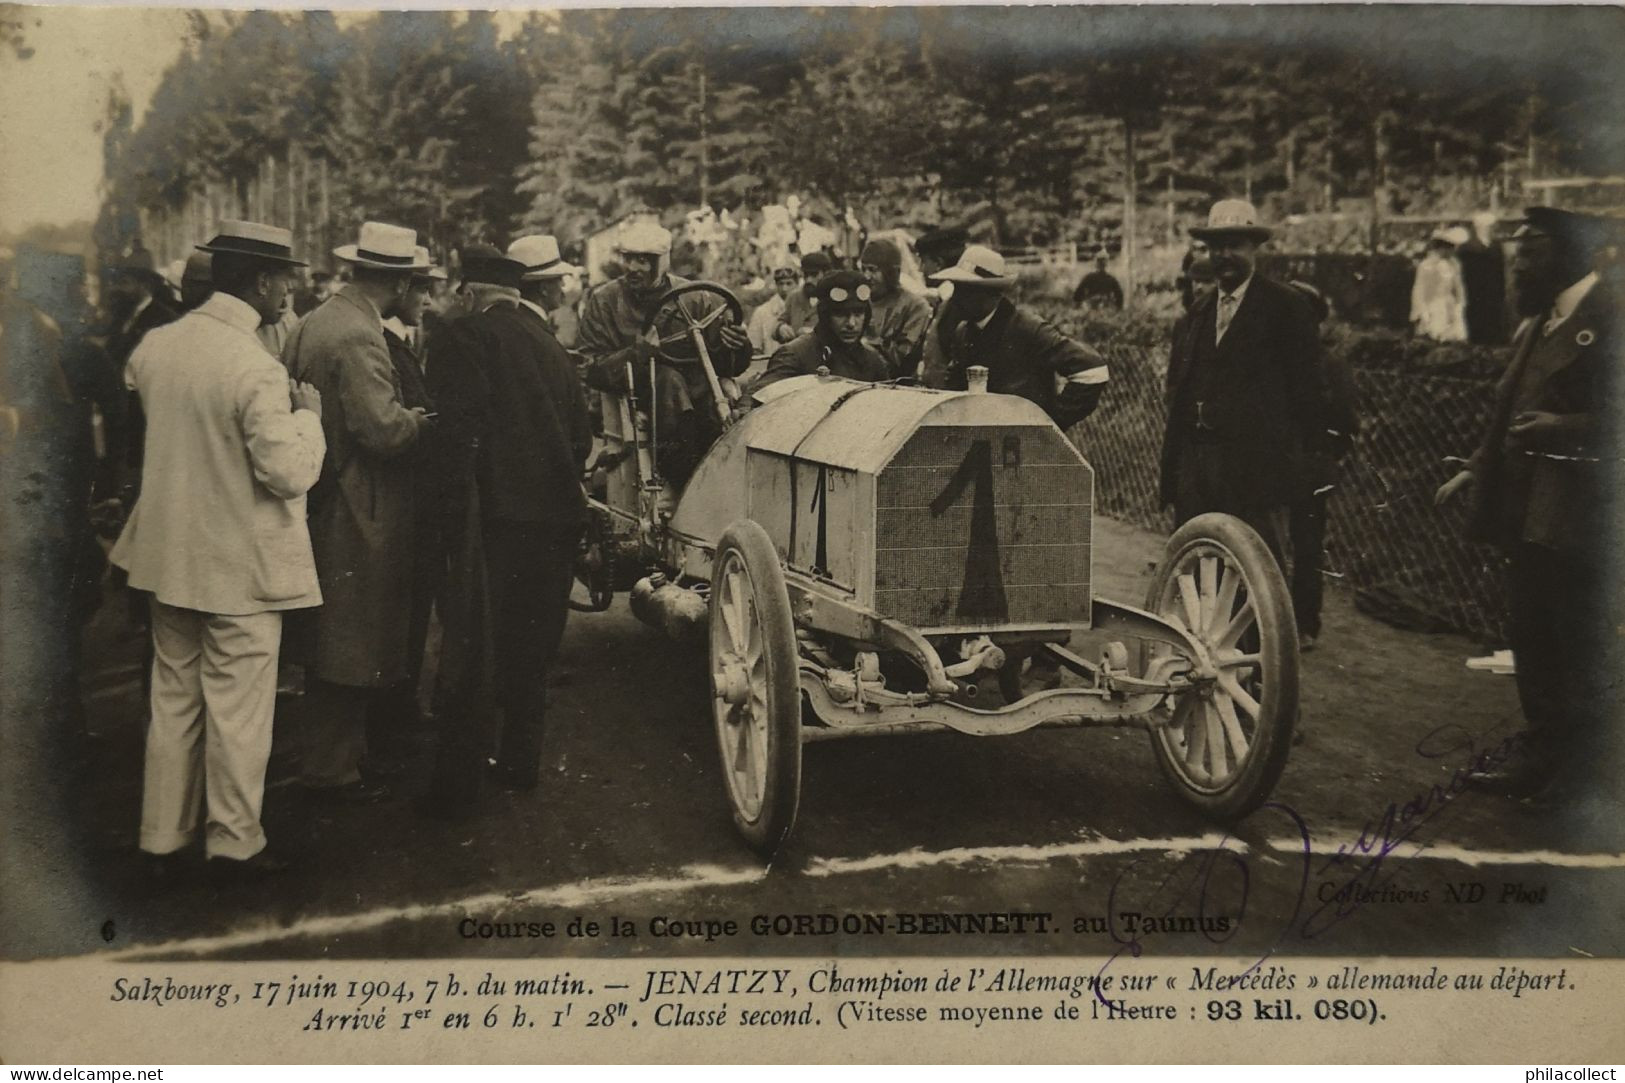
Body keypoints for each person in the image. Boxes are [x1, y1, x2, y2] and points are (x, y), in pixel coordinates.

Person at [108, 220, 324, 877]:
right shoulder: (254, 367)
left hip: (168, 556)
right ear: (260, 281)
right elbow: (286, 473)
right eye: (285, 276)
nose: (291, 287)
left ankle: (162, 838)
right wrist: (308, 417)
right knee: (237, 711)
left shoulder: (157, 347)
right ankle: (233, 843)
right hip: (240, 566)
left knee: (174, 700)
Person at [1436, 207, 1623, 806]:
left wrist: (1563, 428)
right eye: (1517, 252)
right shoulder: (1541, 320)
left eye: (1531, 253)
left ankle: (1582, 774)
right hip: (1530, 508)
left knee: (1578, 640)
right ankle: (1543, 755)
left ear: (1569, 254)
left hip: (1585, 511)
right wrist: (1474, 468)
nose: (1517, 264)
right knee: (1532, 634)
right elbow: (1507, 407)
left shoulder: (1612, 315)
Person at [424, 243, 592, 804]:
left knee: (474, 650)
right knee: (531, 650)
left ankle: (456, 787)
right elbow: (582, 439)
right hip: (554, 521)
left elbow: (455, 435)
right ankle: (520, 761)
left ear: (471, 292)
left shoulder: (466, 336)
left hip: (492, 520)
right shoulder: (552, 346)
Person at [281, 221, 433, 802]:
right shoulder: (360, 335)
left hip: (320, 496)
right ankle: (332, 766)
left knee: (331, 638)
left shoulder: (314, 321)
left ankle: (341, 756)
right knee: (350, 639)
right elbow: (382, 430)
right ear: (395, 281)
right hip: (358, 503)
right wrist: (420, 421)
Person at [1158, 199, 1328, 567]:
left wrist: (1300, 463)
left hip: (1255, 466)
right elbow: (1177, 390)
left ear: (1254, 247)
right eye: (1216, 247)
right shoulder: (1195, 315)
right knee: (1195, 561)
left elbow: (1308, 393)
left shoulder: (1286, 308)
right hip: (1198, 464)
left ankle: (1260, 626)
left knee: (1257, 567)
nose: (1225, 255)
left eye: (1235, 245)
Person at [579, 220, 751, 488]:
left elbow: (727, 365)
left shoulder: (696, 297)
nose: (634, 268)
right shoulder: (605, 301)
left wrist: (737, 345)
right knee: (669, 381)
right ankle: (684, 480)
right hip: (639, 394)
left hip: (697, 393)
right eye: (629, 259)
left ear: (663, 261)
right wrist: (637, 353)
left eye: (645, 261)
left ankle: (724, 478)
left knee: (726, 402)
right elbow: (590, 368)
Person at [922, 245, 1109, 430]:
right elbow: (954, 388)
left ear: (990, 294)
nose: (955, 299)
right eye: (956, 289)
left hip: (1027, 450)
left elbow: (1093, 370)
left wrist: (1049, 424)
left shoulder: (1027, 328)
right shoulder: (963, 332)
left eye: (965, 291)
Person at [1285, 280, 1359, 652]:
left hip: (1309, 468)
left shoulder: (1330, 364)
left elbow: (1346, 421)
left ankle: (1304, 625)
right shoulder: (1269, 360)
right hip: (1269, 465)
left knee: (1307, 548)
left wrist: (1324, 453)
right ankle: (1274, 622)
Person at [751, 270, 891, 393]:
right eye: (840, 314)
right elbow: (757, 397)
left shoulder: (873, 361)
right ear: (825, 316)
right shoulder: (795, 355)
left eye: (859, 313)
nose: (851, 324)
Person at [858, 238, 932, 377]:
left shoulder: (915, 306)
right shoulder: (858, 300)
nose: (866, 276)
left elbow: (902, 358)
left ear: (891, 273)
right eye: (863, 269)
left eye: (873, 270)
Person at [1457, 212, 1508, 345]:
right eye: (1490, 227)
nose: (1492, 230)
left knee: (1493, 328)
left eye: (1493, 227)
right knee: (1476, 328)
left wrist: (1501, 293)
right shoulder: (1466, 249)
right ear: (1480, 228)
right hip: (1474, 295)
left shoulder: (1496, 247)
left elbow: (1500, 272)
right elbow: (1462, 276)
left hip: (1493, 295)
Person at [1410, 229, 1468, 341]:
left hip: (1449, 304)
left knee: (1454, 337)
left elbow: (1459, 286)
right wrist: (1423, 312)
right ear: (1440, 248)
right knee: (1434, 334)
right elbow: (1419, 290)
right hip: (1433, 306)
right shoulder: (1426, 265)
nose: (1452, 251)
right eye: (1448, 248)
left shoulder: (1454, 264)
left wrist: (1460, 304)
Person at [775, 250, 832, 344]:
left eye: (814, 275)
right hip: (796, 355)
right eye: (806, 275)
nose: (808, 280)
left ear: (826, 274)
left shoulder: (834, 299)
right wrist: (780, 328)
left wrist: (815, 334)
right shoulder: (794, 297)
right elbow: (780, 321)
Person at [747, 258, 798, 357]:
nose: (784, 288)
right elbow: (754, 348)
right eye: (781, 284)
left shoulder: (805, 307)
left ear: (796, 284)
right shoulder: (762, 312)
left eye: (789, 283)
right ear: (776, 285)